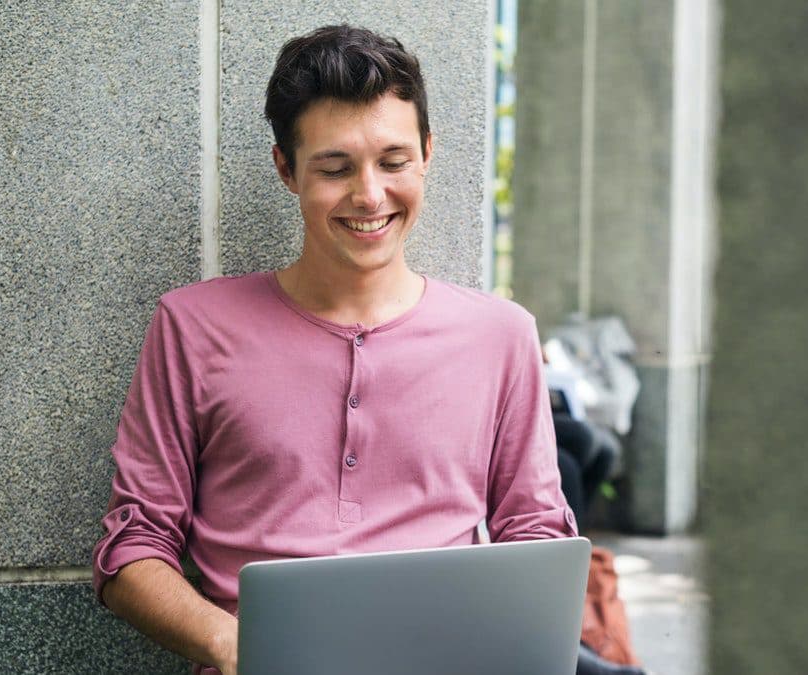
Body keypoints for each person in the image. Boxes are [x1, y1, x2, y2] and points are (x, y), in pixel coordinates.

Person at [92, 25, 642, 675]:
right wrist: (228, 641)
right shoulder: (193, 326)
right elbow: (131, 550)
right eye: (335, 167)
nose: (370, 195)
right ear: (286, 169)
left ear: (427, 153)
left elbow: (539, 539)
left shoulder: (502, 335)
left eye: (393, 161)